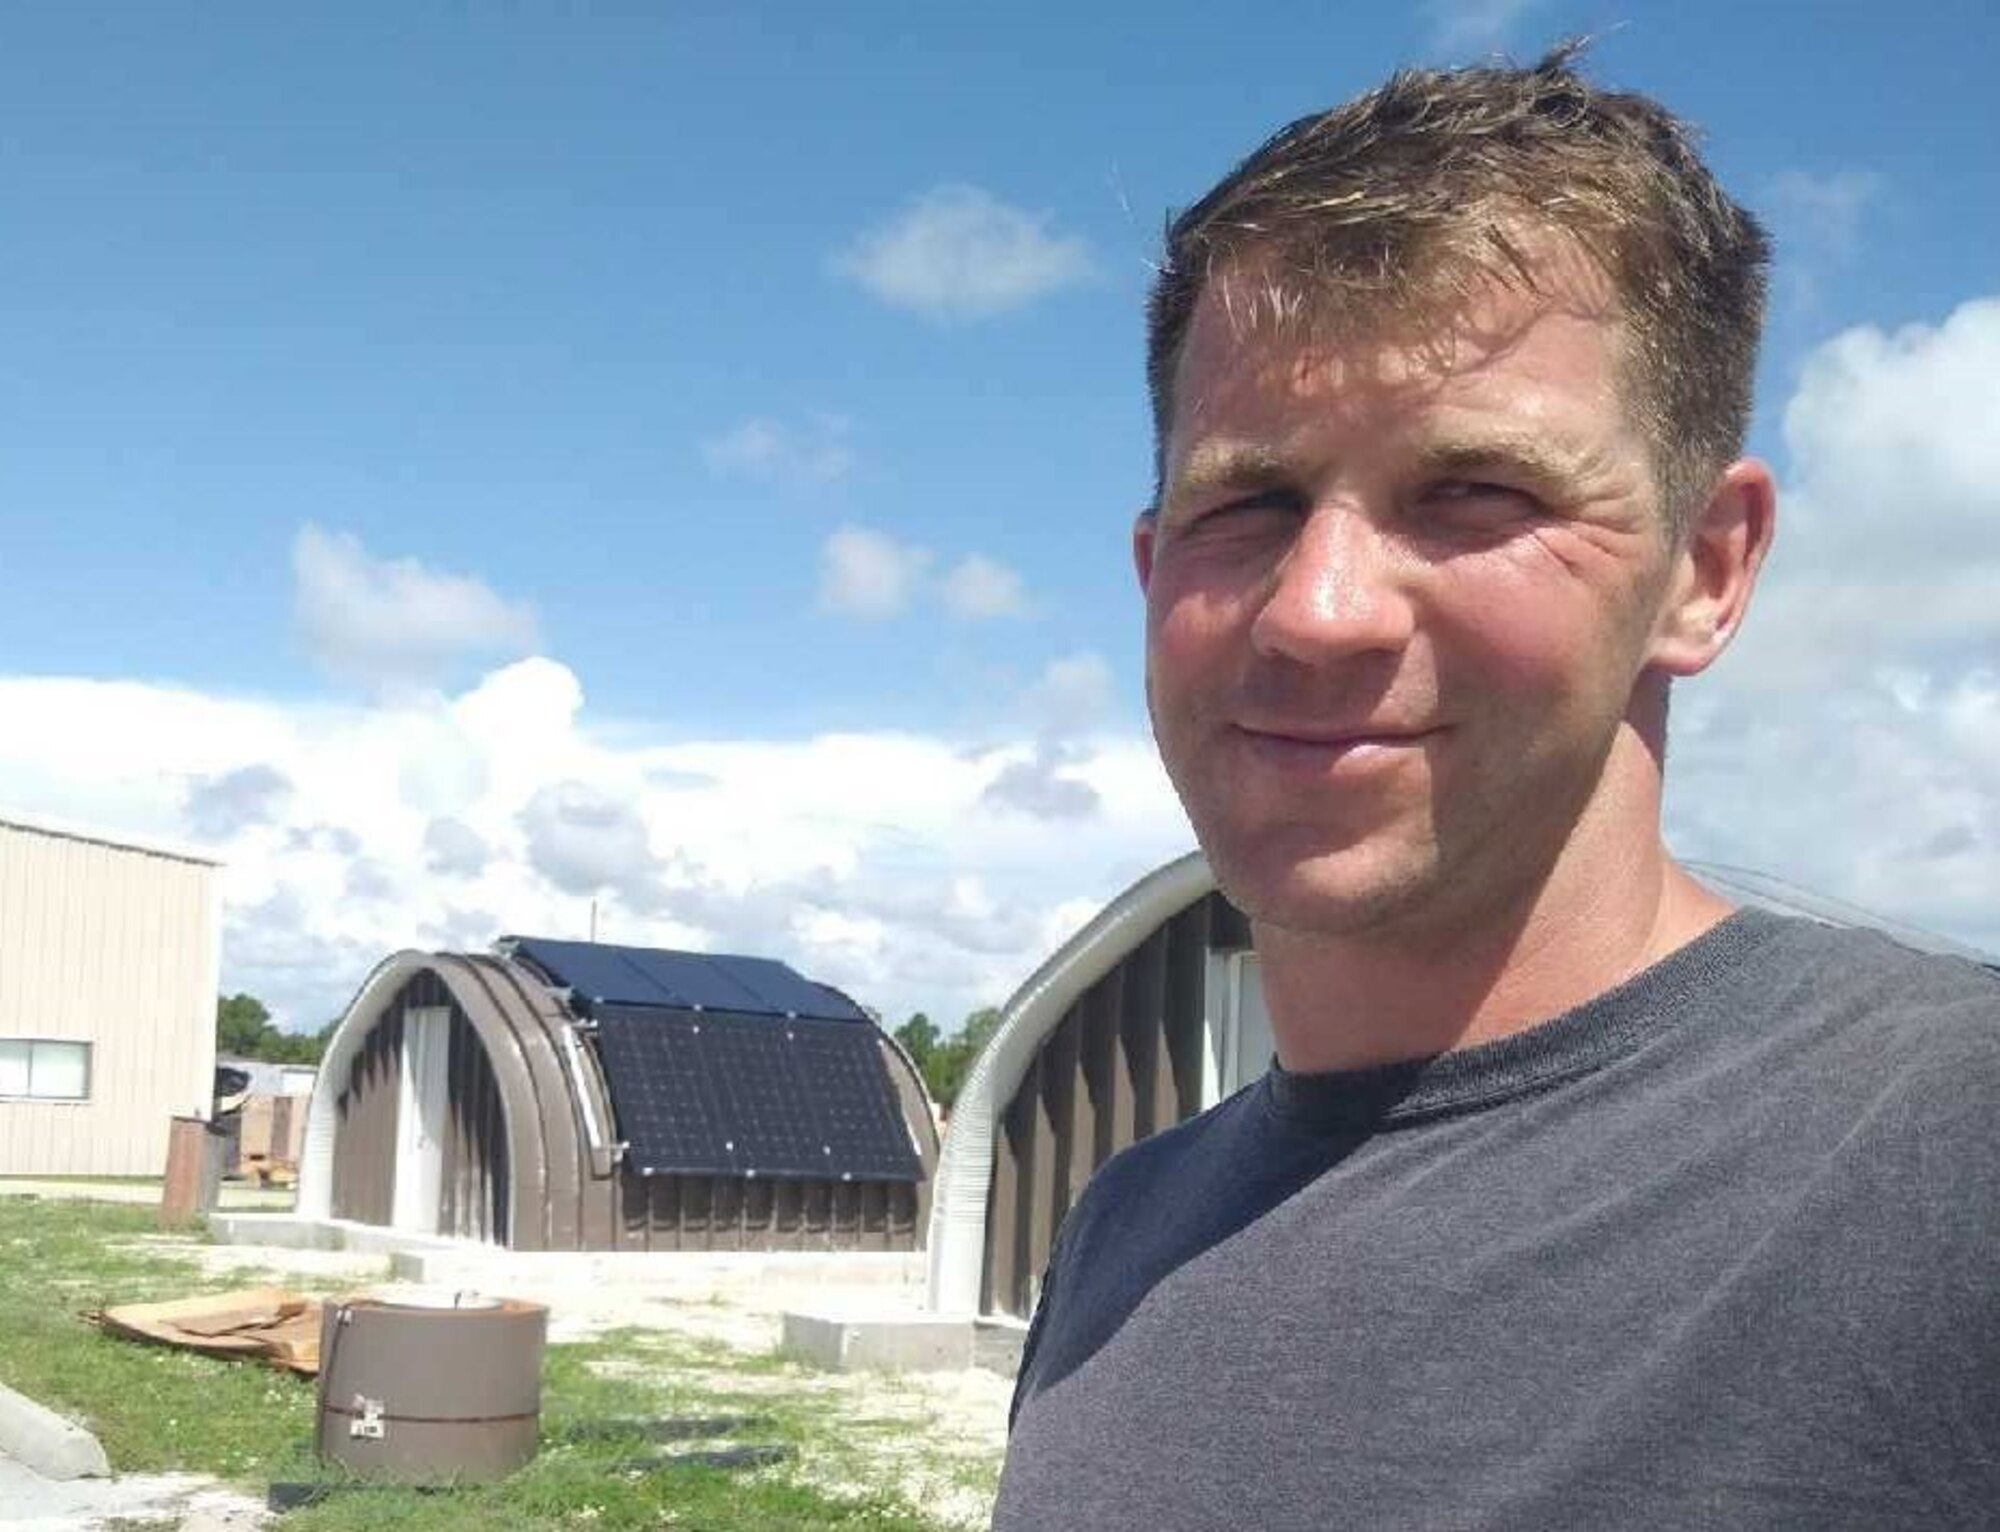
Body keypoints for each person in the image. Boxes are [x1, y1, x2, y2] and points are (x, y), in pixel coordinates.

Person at [994, 43, 2000, 1531]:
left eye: (1477, 494)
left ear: (1705, 571)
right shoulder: (1122, 1231)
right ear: (1151, 573)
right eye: (1249, 501)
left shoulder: (1949, 1155)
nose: (1316, 610)